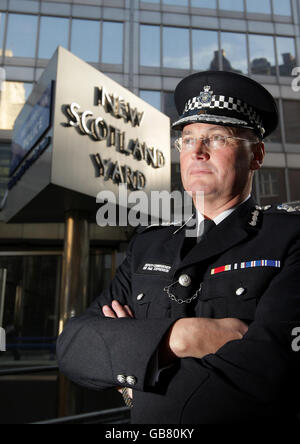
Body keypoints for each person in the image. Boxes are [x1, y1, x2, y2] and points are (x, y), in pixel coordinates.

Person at [57, 71, 300, 424]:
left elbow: (272, 375)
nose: (197, 151)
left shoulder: (289, 238)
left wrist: (137, 369)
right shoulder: (149, 245)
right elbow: (74, 346)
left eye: (217, 137)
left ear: (257, 155)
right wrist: (178, 338)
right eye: (187, 139)